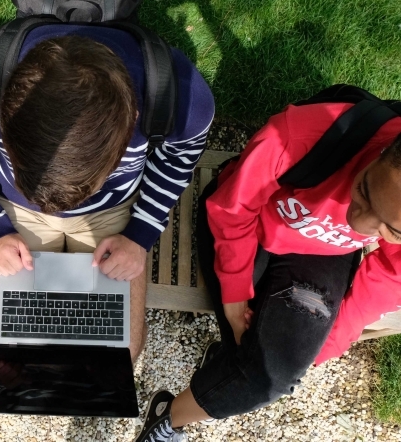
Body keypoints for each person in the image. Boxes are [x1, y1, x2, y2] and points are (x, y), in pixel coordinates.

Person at [0, 26, 215, 361]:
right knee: (9, 351)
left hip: (112, 208)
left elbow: (177, 162)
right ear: (4, 112)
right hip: (13, 210)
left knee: (123, 354)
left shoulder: (184, 100)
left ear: (132, 118)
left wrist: (140, 235)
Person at [135, 97, 401, 441]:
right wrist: (234, 298)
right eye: (364, 191)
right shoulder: (300, 135)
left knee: (273, 370)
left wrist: (326, 341)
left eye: (391, 229)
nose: (359, 222)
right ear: (384, 152)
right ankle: (174, 413)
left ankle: (168, 418)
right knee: (260, 361)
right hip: (250, 226)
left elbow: (391, 275)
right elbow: (233, 211)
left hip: (322, 253)